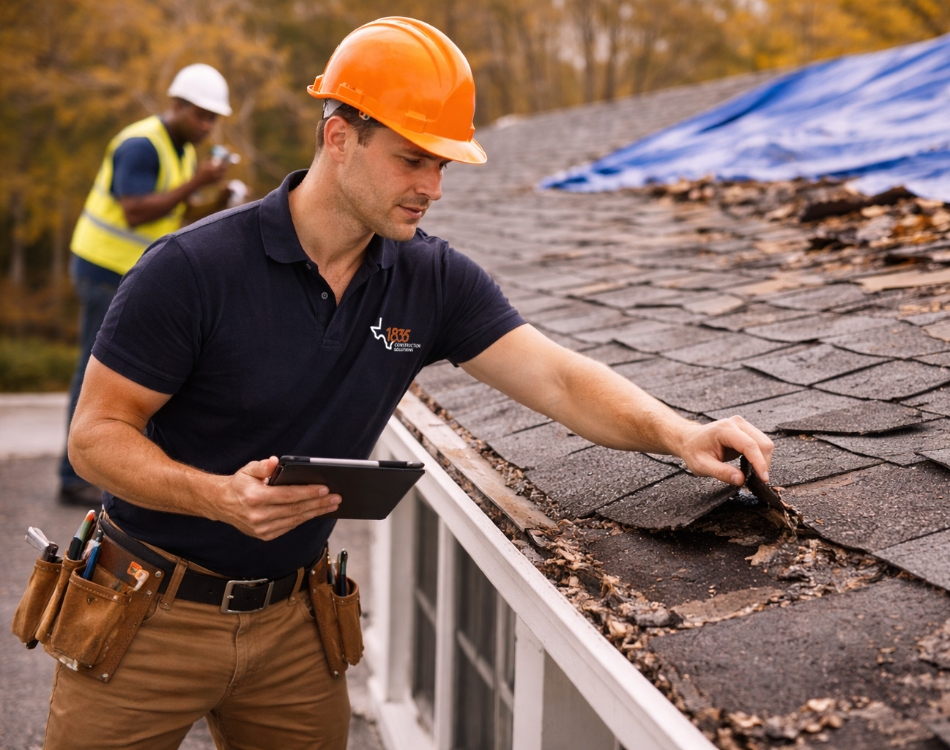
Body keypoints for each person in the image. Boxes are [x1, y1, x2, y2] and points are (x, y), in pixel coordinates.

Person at [54, 17, 773, 749]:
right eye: (411, 160)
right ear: (339, 137)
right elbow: (95, 440)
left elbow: (558, 378)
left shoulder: (431, 279)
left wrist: (679, 432)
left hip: (294, 627)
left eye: (443, 166)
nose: (432, 187)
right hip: (147, 612)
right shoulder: (191, 269)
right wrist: (218, 498)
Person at [58, 63, 235, 505]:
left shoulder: (182, 152)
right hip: (102, 268)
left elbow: (176, 217)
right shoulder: (141, 145)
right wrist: (197, 182)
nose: (207, 125)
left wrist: (216, 200)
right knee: (94, 373)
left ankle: (114, 466)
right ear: (175, 105)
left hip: (130, 274)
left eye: (213, 118)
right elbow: (136, 210)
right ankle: (72, 475)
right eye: (201, 115)